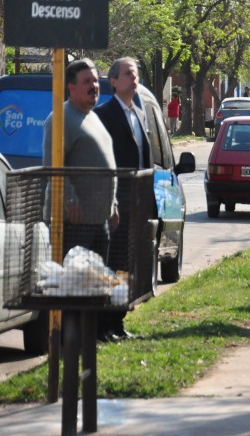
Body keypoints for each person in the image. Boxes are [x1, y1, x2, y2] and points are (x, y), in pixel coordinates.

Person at [42, 59, 119, 334]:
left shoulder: (93, 117)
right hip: (75, 224)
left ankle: (93, 338)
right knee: (75, 289)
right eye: (88, 82)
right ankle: (70, 343)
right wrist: (69, 199)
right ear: (71, 87)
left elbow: (105, 164)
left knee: (96, 285)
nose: (95, 86)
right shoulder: (60, 119)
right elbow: (54, 165)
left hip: (99, 221)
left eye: (96, 81)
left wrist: (114, 204)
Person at [95, 57, 154, 341]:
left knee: (127, 265)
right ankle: (103, 324)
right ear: (114, 81)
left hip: (138, 203)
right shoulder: (104, 114)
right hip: (117, 203)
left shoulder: (140, 113)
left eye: (136, 73)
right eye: (128, 73)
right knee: (113, 263)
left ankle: (117, 322)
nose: (134, 78)